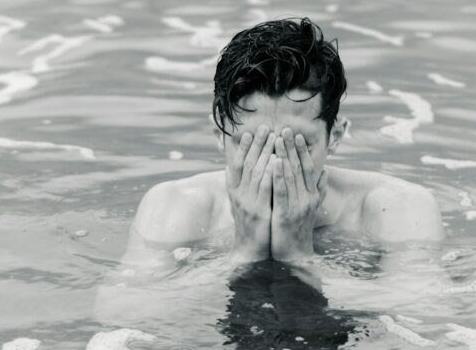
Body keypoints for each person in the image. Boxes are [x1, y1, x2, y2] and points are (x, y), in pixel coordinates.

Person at [121, 17, 444, 276]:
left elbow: (424, 313)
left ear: (336, 135)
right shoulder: (177, 204)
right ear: (219, 134)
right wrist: (246, 251)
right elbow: (124, 314)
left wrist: (298, 254)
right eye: (252, 145)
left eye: (297, 145)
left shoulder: (397, 205)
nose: (274, 166)